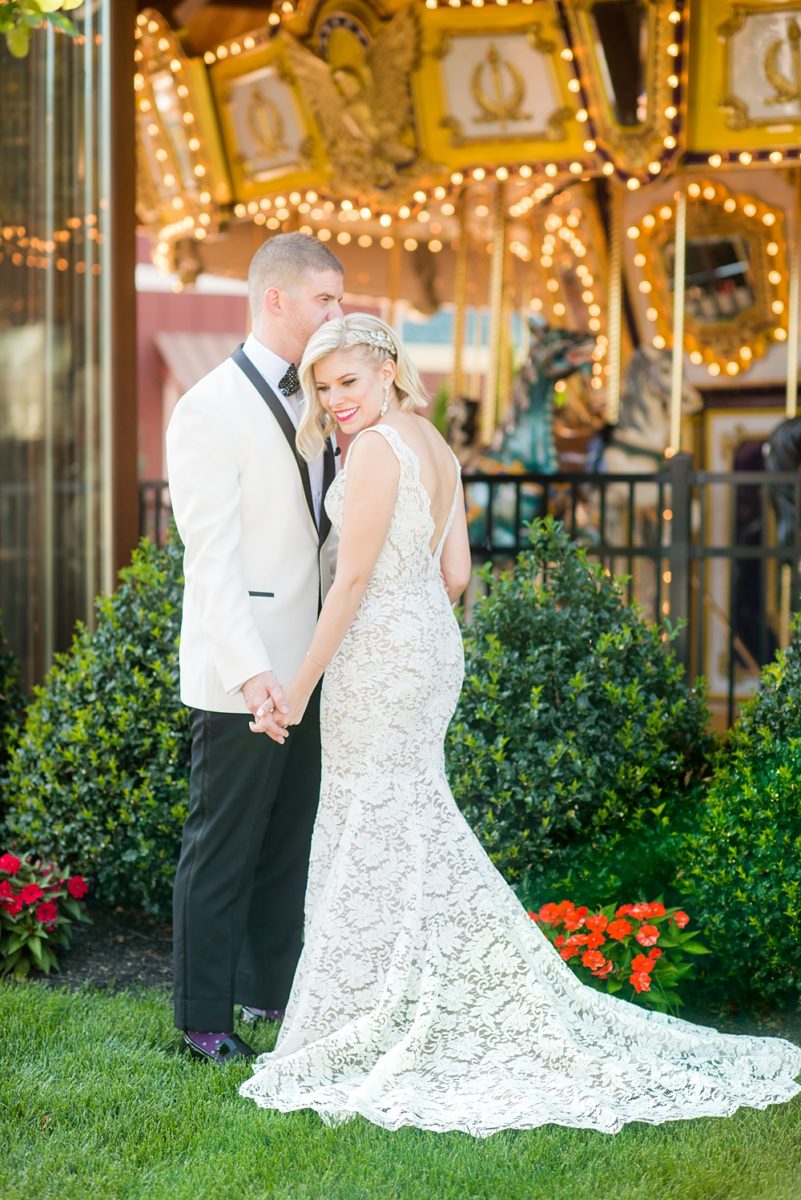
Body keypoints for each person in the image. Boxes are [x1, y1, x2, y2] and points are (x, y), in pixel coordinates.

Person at [239, 313, 801, 1134]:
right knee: (407, 814)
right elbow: (458, 574)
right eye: (323, 389)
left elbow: (352, 579)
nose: (336, 401)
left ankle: (362, 1003)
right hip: (431, 647)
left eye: (349, 383)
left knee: (368, 815)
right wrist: (413, 615)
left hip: (379, 655)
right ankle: (403, 982)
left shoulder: (370, 452)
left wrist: (297, 683)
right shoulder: (435, 445)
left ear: (388, 370)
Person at [165, 232, 344, 1063]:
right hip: (242, 675)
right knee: (223, 846)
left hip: (307, 667)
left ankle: (270, 996)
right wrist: (252, 675)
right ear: (276, 300)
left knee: (286, 843)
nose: (337, 314)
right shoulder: (206, 407)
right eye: (325, 300)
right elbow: (213, 561)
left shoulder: (324, 401)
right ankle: (204, 1018)